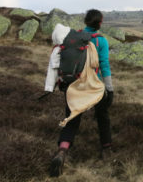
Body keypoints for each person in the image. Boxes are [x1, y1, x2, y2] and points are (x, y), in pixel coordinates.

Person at [45, 9, 114, 177]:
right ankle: (106, 150)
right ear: (100, 23)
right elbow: (104, 65)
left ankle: (62, 152)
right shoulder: (101, 41)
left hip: (73, 85)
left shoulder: (73, 37)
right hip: (93, 86)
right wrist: (110, 89)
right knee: (102, 115)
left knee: (72, 120)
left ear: (85, 21)